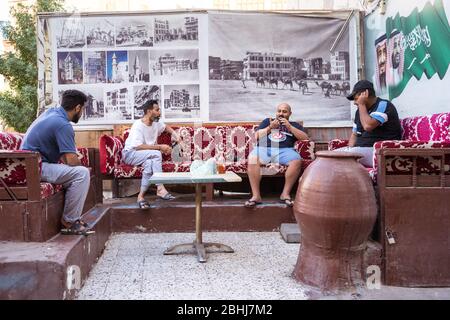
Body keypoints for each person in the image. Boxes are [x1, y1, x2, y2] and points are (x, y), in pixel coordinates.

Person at [21, 90, 93, 235]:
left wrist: (71, 157)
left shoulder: (51, 113)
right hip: (34, 167)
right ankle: (70, 221)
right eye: (83, 109)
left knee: (77, 174)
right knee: (82, 174)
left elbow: (63, 156)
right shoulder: (63, 124)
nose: (82, 113)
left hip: (29, 165)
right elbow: (71, 161)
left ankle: (71, 218)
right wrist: (80, 164)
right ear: (77, 108)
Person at [244, 103, 309, 208]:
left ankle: (285, 194)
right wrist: (270, 127)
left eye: (284, 111)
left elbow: (305, 138)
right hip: (264, 149)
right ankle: (256, 196)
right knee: (252, 159)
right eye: (279, 111)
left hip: (284, 150)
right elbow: (256, 136)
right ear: (276, 112)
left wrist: (290, 127)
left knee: (296, 161)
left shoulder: (295, 125)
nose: (281, 113)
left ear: (290, 113)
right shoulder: (267, 121)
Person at [122, 99, 182, 209]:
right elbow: (138, 146)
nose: (159, 112)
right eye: (157, 110)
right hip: (130, 154)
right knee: (156, 154)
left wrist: (175, 134)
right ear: (149, 111)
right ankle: (160, 187)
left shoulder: (156, 123)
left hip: (145, 155)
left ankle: (140, 197)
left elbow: (165, 127)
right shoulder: (138, 125)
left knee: (150, 164)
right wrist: (160, 147)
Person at [336, 80, 402, 167]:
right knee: (328, 156)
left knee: (338, 157)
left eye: (356, 99)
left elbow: (368, 126)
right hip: (362, 150)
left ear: (365, 94)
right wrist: (349, 149)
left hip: (380, 152)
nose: (355, 103)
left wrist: (361, 104)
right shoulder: (359, 111)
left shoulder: (383, 105)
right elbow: (355, 134)